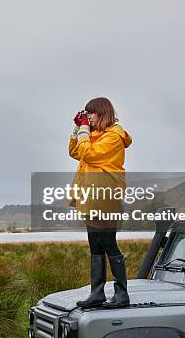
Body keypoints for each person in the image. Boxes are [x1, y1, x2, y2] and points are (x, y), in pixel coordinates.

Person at [68, 97, 132, 308]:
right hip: (91, 197)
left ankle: (122, 294)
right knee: (94, 244)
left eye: (91, 114)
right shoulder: (96, 135)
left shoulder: (114, 136)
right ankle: (97, 293)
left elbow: (89, 153)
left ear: (102, 113)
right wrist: (78, 129)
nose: (88, 118)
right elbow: (76, 152)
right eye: (86, 114)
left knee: (108, 243)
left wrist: (84, 131)